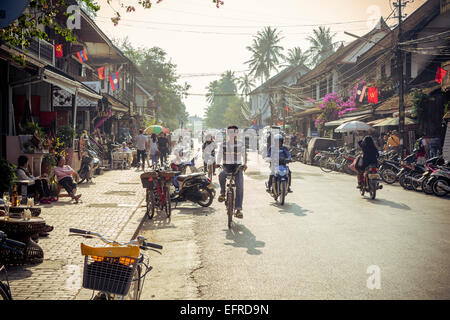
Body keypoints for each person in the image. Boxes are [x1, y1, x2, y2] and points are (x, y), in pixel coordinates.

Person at [216, 125, 247, 219]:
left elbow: (244, 155)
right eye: (229, 132)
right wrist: (217, 163)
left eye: (233, 132)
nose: (231, 134)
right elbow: (219, 154)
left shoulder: (240, 144)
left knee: (240, 187)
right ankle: (222, 193)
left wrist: (244, 164)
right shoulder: (223, 144)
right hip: (226, 166)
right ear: (227, 133)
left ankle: (238, 209)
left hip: (237, 167)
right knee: (221, 175)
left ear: (236, 133)